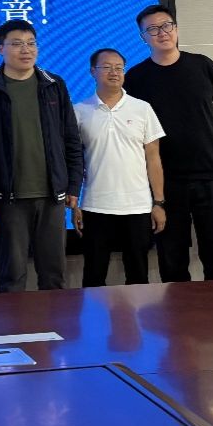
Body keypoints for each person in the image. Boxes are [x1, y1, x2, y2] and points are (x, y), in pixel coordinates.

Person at [123, 4, 213, 282]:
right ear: (142, 37)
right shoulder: (136, 78)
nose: (162, 33)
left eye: (167, 25)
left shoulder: (203, 66)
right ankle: (176, 309)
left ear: (175, 28)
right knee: (171, 257)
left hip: (210, 176)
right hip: (166, 181)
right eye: (152, 29)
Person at [0, 19, 82, 292]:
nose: (26, 50)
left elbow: (70, 138)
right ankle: (16, 321)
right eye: (16, 44)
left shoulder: (54, 84)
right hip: (9, 197)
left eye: (31, 43)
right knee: (12, 276)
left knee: (53, 275)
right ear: (0, 49)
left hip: (52, 195)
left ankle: (57, 320)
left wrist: (73, 185)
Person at [72, 48, 167, 286]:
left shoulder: (142, 108)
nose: (114, 72)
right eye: (106, 67)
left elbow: (153, 158)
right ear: (92, 71)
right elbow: (74, 161)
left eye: (119, 68)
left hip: (137, 206)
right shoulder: (79, 111)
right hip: (95, 205)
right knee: (93, 276)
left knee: (138, 276)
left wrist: (158, 203)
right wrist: (74, 204)